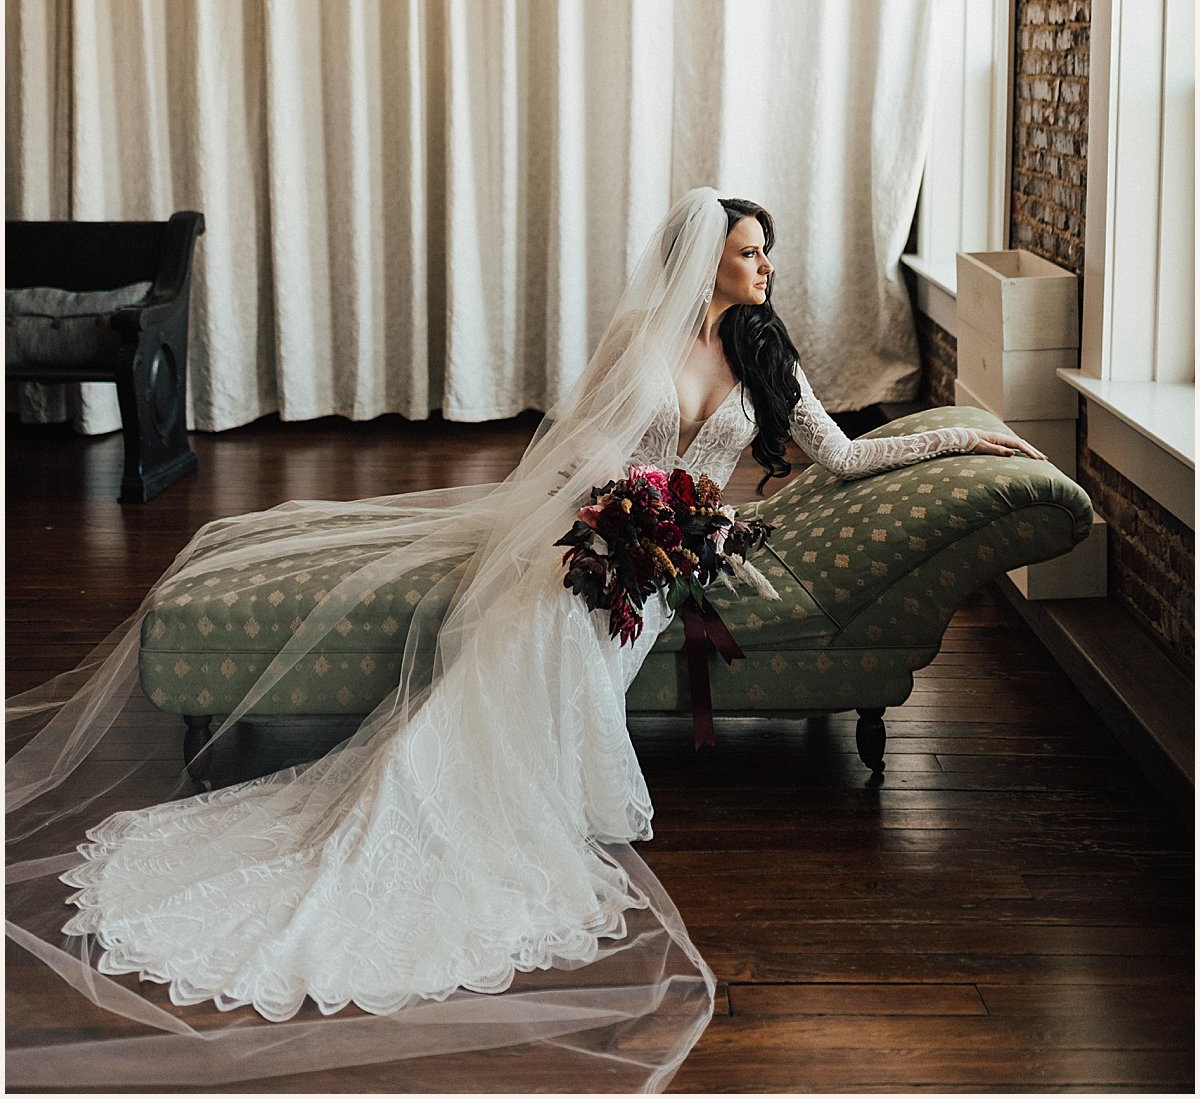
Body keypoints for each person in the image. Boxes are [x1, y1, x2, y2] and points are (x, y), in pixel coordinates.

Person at [6, 189, 1042, 1091]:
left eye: (768, 251)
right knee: (537, 611)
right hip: (595, 533)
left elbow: (849, 459)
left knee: (579, 633)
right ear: (703, 260)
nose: (767, 266)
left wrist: (962, 434)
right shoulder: (640, 331)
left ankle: (475, 797)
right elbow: (581, 441)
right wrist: (594, 524)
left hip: (676, 562)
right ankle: (415, 792)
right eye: (749, 251)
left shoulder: (767, 352)